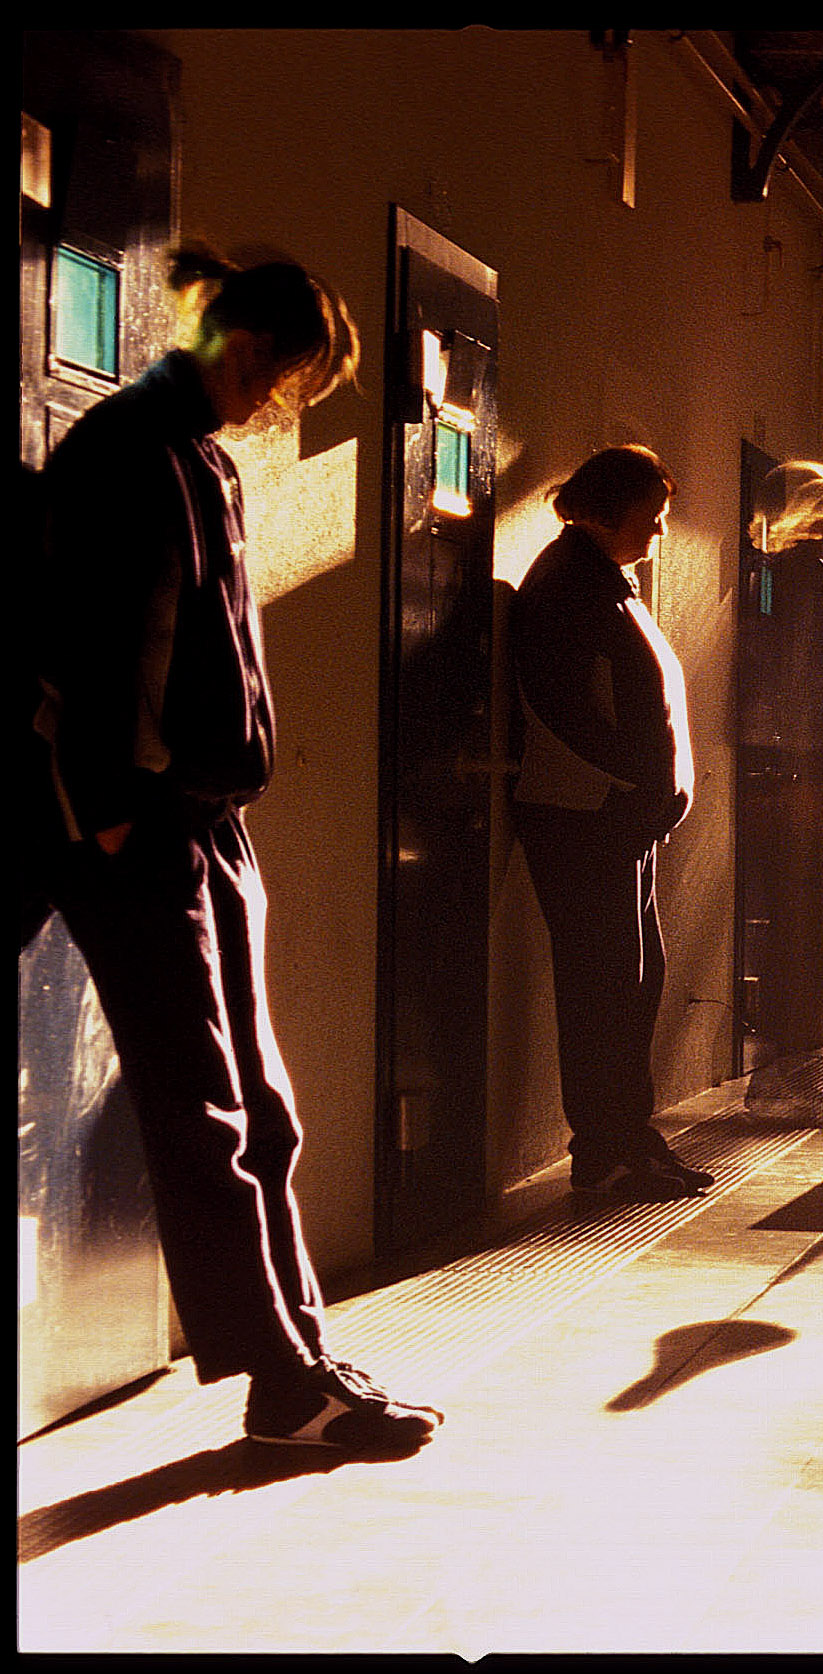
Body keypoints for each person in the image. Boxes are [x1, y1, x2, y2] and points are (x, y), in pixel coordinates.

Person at [28, 242, 440, 1455]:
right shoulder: (127, 452)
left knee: (257, 1105)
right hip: (142, 826)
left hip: (202, 821)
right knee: (207, 1109)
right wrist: (113, 808)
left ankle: (296, 1357)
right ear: (250, 347)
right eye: (285, 380)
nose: (276, 406)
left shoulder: (194, 456)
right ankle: (282, 1378)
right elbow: (91, 644)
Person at [510, 444, 711, 1202]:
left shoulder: (602, 580)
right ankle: (604, 1150)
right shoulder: (569, 585)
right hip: (587, 817)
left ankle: (627, 1137)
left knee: (633, 979)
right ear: (607, 508)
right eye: (651, 515)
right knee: (603, 986)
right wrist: (635, 781)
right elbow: (565, 709)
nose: (659, 530)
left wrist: (650, 793)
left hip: (617, 818)